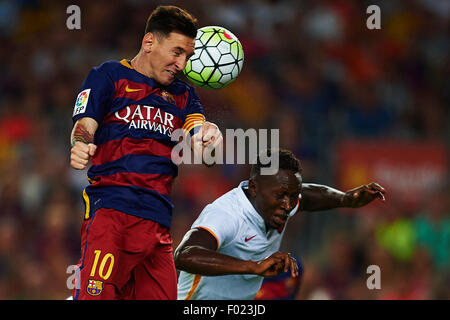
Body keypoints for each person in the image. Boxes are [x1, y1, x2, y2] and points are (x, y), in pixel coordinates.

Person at [69, 5, 222, 300]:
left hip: (158, 230)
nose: (182, 63)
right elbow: (84, 123)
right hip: (111, 216)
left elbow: (200, 140)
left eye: (188, 56)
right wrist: (79, 143)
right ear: (149, 42)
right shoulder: (109, 75)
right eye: (177, 52)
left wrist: (209, 140)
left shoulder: (184, 95)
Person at [175, 149, 385, 300]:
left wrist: (346, 199)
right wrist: (252, 267)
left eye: (292, 196)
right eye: (280, 196)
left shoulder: (282, 201)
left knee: (291, 271)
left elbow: (310, 195)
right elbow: (184, 255)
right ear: (254, 188)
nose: (288, 205)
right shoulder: (226, 215)